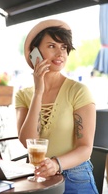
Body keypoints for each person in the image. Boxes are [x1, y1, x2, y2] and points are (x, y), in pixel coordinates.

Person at [15, 19, 98, 194]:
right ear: (34, 52)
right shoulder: (23, 95)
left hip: (75, 177)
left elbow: (85, 148)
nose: (60, 53)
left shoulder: (79, 91)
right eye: (52, 46)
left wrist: (56, 164)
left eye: (64, 47)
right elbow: (27, 141)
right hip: (37, 178)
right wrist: (38, 92)